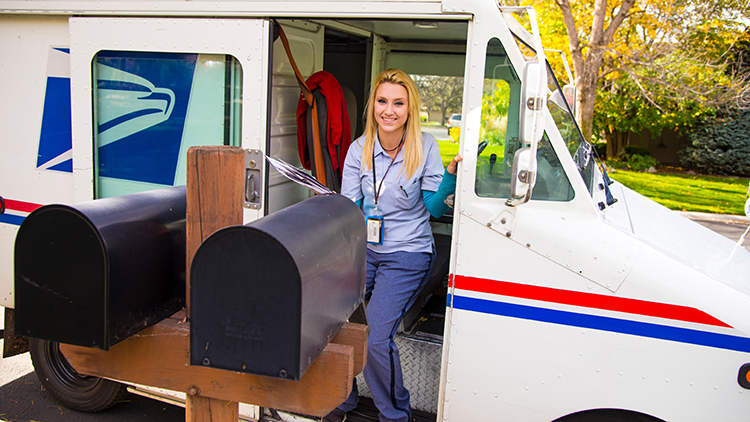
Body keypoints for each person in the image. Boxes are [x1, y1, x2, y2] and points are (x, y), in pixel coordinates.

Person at [324, 68, 461, 422]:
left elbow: (432, 207)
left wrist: (448, 179)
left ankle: (395, 414)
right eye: (383, 101)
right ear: (373, 106)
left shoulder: (425, 146)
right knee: (329, 318)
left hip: (407, 253)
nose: (389, 110)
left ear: (410, 108)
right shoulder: (359, 149)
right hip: (365, 250)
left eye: (398, 103)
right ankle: (343, 397)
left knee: (375, 335)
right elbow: (350, 206)